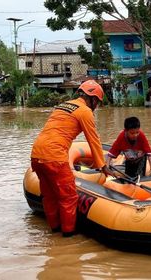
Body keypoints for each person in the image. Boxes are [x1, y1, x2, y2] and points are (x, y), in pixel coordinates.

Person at [30, 80, 115, 237]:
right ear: (94, 99)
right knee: (68, 197)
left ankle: (55, 230)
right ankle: (68, 236)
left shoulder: (64, 105)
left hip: (36, 155)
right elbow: (93, 140)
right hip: (55, 157)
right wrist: (102, 166)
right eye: (97, 103)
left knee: (49, 196)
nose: (96, 107)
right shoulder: (85, 111)